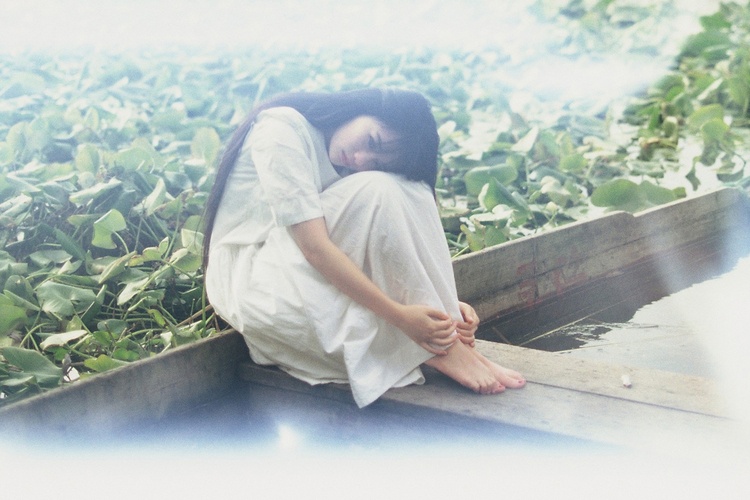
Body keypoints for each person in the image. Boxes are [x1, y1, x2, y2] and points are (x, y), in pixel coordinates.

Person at [202, 87, 525, 408]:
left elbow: (374, 241)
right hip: (258, 280)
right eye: (373, 142)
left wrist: (444, 304)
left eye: (376, 161)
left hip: (298, 264)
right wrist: (401, 317)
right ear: (364, 106)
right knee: (379, 189)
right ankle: (443, 349)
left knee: (412, 189)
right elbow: (315, 248)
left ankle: (448, 339)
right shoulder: (281, 130)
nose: (360, 160)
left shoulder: (346, 157)